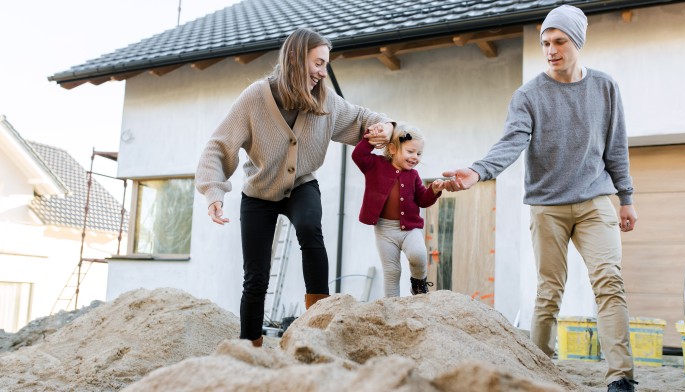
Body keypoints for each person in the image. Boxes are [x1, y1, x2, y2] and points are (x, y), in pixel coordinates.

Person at [442, 5, 638, 392]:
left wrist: (626, 198)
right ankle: (539, 370)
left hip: (595, 200)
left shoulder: (605, 87)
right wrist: (478, 171)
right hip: (548, 205)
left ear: (576, 42)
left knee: (609, 281)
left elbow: (616, 148)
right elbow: (512, 142)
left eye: (559, 41)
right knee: (550, 289)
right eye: (546, 42)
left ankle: (621, 377)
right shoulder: (529, 95)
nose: (551, 49)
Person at [195, 27, 394, 348]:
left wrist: (388, 126)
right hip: (259, 192)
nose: (321, 71)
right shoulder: (255, 98)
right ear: (294, 58)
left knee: (309, 229)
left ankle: (320, 324)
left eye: (325, 64)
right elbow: (219, 146)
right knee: (256, 274)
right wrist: (213, 192)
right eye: (317, 63)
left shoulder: (325, 101)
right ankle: (250, 345)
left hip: (302, 184)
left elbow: (361, 118)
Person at [352, 123, 444, 297]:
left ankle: (418, 283)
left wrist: (433, 190)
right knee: (391, 272)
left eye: (419, 153)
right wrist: (373, 137)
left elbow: (422, 200)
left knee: (418, 254)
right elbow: (358, 155)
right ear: (393, 148)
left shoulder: (414, 175)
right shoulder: (374, 165)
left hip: (410, 229)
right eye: (410, 152)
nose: (415, 157)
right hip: (385, 230)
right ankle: (392, 307)